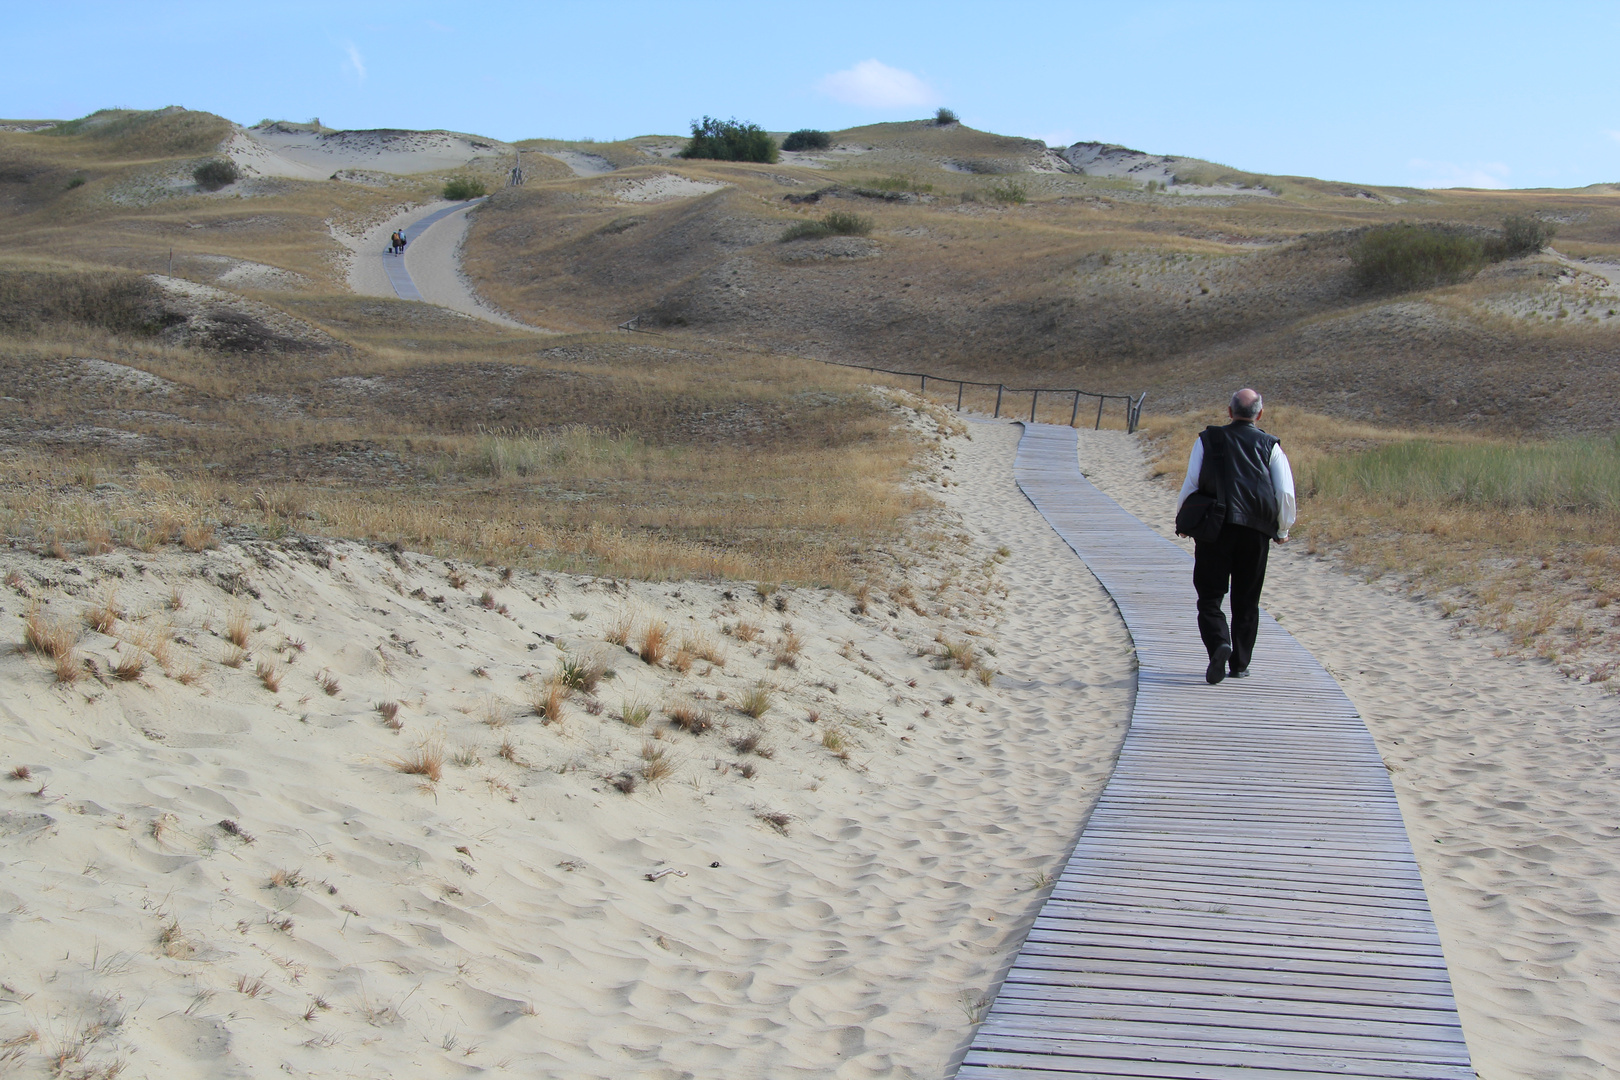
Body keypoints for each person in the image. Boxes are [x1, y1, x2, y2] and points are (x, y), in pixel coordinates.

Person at [1175, 388, 1296, 684]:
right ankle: (1240, 664)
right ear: (1260, 414)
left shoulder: (1208, 439)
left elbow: (1191, 483)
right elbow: (1284, 492)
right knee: (1247, 599)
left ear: (1229, 412)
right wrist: (1282, 529)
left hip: (1214, 529)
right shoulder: (1271, 445)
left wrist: (1184, 521)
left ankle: (1220, 644)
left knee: (1210, 598)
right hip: (1255, 532)